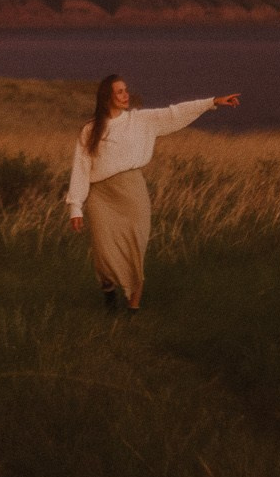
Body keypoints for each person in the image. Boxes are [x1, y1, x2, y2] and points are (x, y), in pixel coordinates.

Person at [66, 74, 239, 312]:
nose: (126, 95)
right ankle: (109, 298)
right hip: (101, 197)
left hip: (133, 194)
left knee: (135, 251)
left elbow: (174, 113)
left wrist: (213, 102)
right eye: (120, 92)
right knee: (104, 256)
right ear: (107, 97)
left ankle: (132, 312)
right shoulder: (90, 129)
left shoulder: (140, 120)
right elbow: (81, 167)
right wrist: (75, 206)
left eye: (126, 90)